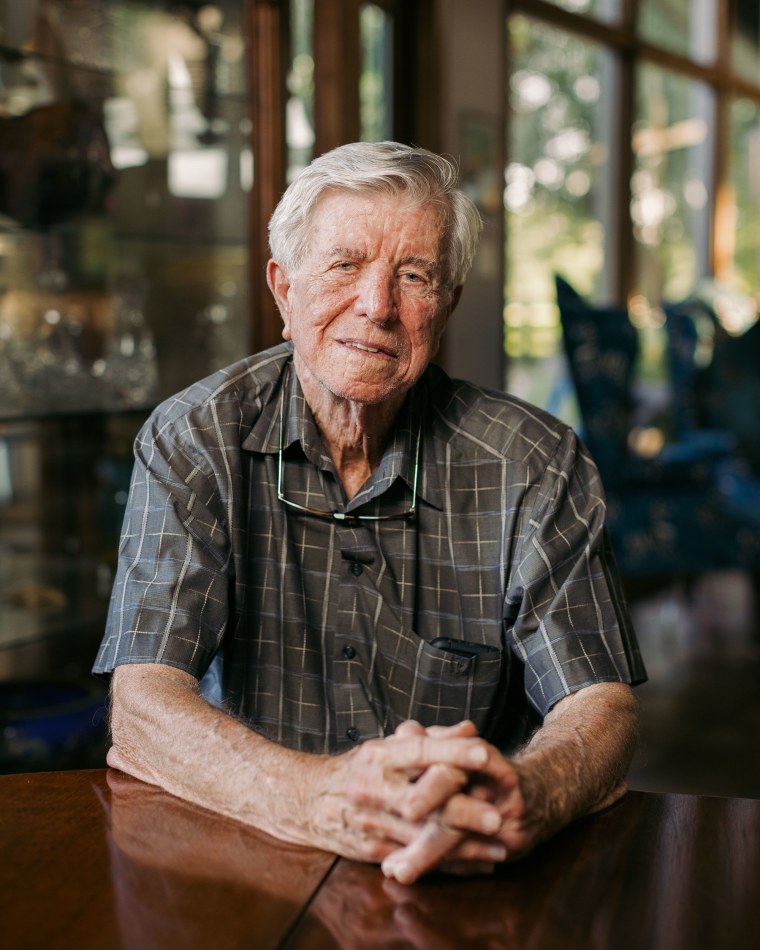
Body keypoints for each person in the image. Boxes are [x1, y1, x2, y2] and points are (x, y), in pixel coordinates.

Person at [94, 141, 646, 885]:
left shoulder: (533, 462)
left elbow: (599, 701)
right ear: (284, 290)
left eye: (414, 276)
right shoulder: (193, 438)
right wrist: (318, 801)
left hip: (461, 867)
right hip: (247, 855)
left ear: (446, 306)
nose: (378, 306)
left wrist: (530, 796)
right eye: (345, 265)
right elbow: (142, 707)